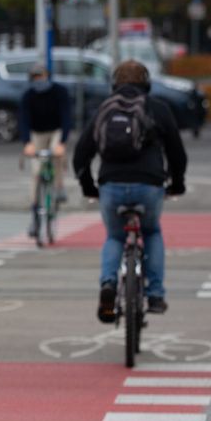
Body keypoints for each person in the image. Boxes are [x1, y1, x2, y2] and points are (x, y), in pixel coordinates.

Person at [72, 60, 187, 320]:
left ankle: (108, 285)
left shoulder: (104, 109)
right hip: (149, 185)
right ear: (147, 84)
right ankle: (155, 295)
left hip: (111, 184)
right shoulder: (158, 109)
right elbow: (177, 153)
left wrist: (89, 187)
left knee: (114, 237)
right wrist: (177, 183)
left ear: (115, 84)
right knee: (151, 232)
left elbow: (80, 154)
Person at [18, 63, 73, 236]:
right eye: (35, 78)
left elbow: (66, 116)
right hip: (37, 133)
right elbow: (24, 119)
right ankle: (35, 215)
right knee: (36, 171)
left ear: (47, 76)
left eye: (41, 76)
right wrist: (27, 143)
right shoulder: (28, 96)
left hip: (55, 130)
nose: (38, 81)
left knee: (56, 156)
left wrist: (62, 142)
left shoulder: (59, 92)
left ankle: (59, 187)